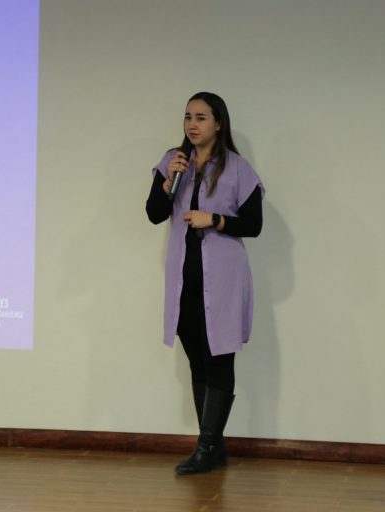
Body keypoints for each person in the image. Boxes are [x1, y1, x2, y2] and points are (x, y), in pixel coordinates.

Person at [145, 92, 264, 475]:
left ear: (218, 123)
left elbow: (254, 225)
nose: (192, 125)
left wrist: (213, 219)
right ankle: (213, 446)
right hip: (185, 279)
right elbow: (154, 214)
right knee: (198, 360)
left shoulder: (237, 168)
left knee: (220, 357)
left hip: (224, 279)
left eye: (200, 117)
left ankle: (206, 446)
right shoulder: (173, 162)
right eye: (187, 117)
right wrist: (168, 184)